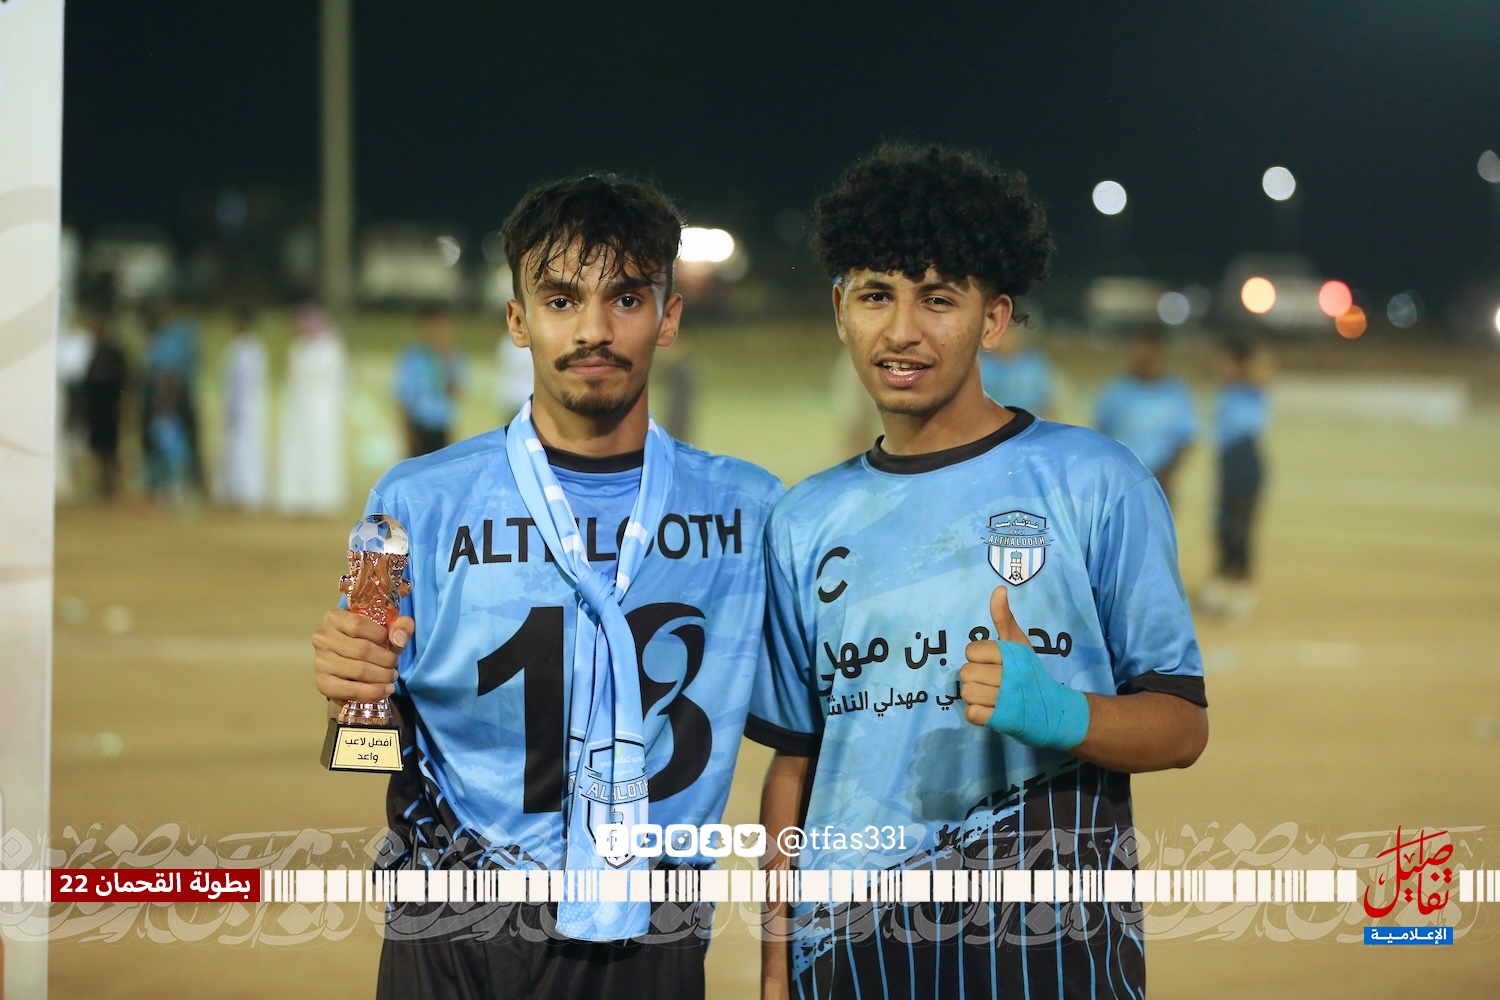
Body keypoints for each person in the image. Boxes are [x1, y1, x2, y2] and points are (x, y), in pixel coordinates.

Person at [748, 144, 1208, 1000]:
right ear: (840, 308)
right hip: (851, 953)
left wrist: (1062, 713)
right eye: (876, 295)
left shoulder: (1096, 482)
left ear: (993, 318)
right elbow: (794, 765)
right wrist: (777, 964)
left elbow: (1181, 727)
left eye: (938, 298)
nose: (902, 331)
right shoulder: (804, 521)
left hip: (1050, 952)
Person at [310, 173, 783, 999]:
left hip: (651, 929)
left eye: (626, 299)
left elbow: (806, 741)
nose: (593, 330)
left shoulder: (752, 511)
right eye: (561, 300)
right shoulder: (412, 503)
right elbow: (364, 731)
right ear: (517, 319)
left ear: (670, 316)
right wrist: (352, 684)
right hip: (453, 923)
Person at [1199, 337, 1270, 622]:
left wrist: (1246, 359)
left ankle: (1242, 587)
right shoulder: (1226, 390)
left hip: (1246, 460)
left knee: (1241, 527)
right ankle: (1222, 578)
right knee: (1222, 525)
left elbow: (1264, 371)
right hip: (1227, 462)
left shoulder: (1253, 389)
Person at [1091, 329, 1196, 503]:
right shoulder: (1116, 391)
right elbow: (1101, 434)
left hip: (1160, 482)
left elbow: (1184, 439)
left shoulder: (1175, 393)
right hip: (1122, 482)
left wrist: (1165, 474)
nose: (1145, 358)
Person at [275, 306, 348, 516]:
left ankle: (322, 499)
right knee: (298, 451)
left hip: (322, 411)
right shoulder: (298, 347)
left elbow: (336, 379)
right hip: (300, 411)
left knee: (322, 452)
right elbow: (290, 375)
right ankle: (298, 498)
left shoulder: (332, 347)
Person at [395, 305, 467, 457]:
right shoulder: (414, 357)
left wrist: (445, 361)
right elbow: (404, 398)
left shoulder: (453, 357)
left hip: (442, 427)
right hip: (419, 427)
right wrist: (408, 433)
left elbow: (456, 392)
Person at [218, 307, 270, 510]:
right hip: (234, 407)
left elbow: (249, 383)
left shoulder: (253, 350)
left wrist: (241, 407)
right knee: (233, 450)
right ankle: (234, 490)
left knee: (249, 449)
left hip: (249, 408)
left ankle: (250, 493)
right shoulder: (234, 348)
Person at [77, 305, 129, 500]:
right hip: (96, 408)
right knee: (98, 447)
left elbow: (125, 380)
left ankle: (111, 484)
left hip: (110, 406)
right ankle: (101, 484)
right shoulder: (93, 352)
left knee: (110, 448)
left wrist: (122, 400)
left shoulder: (114, 353)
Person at [978, 321, 1056, 419]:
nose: (1008, 338)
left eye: (1012, 332)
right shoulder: (983, 367)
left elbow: (1048, 403)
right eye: (1004, 334)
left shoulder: (1035, 364)